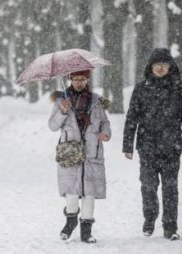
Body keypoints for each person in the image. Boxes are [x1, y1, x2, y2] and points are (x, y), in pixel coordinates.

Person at [123, 48, 182, 241]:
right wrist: (128, 145)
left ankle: (170, 226)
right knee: (148, 185)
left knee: (170, 188)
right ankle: (150, 216)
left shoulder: (179, 88)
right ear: (151, 67)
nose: (160, 67)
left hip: (172, 146)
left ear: (170, 66)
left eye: (164, 64)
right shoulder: (141, 88)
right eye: (157, 64)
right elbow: (132, 118)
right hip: (147, 146)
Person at [48, 70, 111, 244]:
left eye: (82, 79)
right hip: (70, 153)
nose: (78, 82)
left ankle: (86, 231)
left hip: (92, 152)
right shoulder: (62, 100)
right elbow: (52, 126)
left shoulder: (96, 101)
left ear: (87, 80)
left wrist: (105, 133)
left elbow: (105, 122)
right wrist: (62, 111)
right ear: (70, 80)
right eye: (75, 79)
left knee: (90, 193)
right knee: (72, 192)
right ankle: (71, 220)